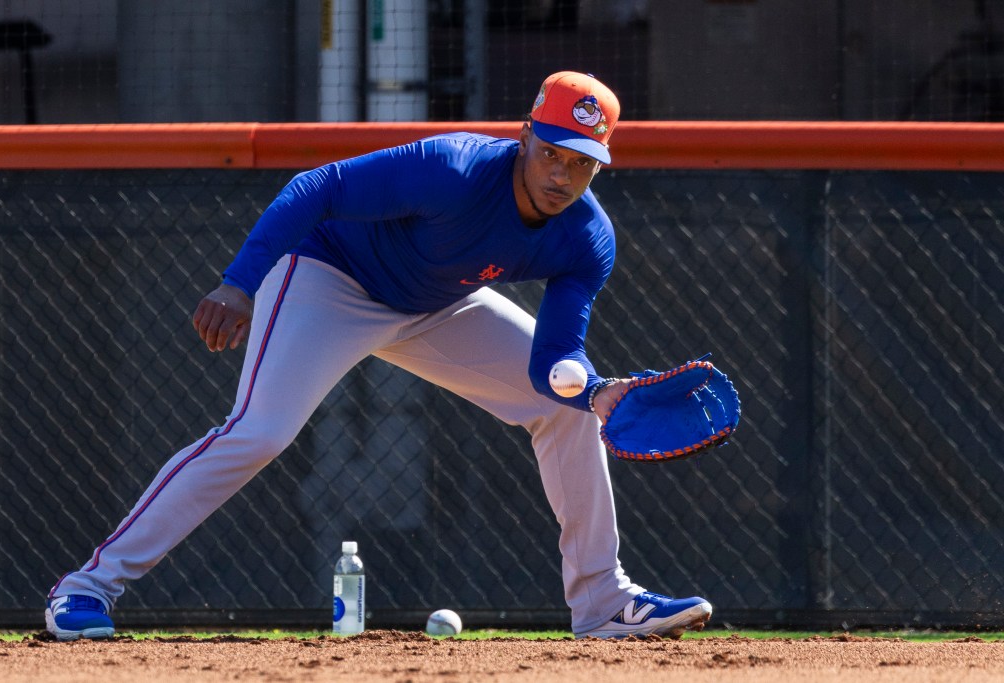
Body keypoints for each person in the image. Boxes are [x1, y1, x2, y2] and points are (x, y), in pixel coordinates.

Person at [45, 71, 712, 640]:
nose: (563, 173)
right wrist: (239, 281)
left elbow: (554, 360)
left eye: (583, 160)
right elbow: (318, 186)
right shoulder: (453, 169)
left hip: (438, 302)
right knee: (259, 431)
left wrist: (594, 392)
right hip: (330, 277)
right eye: (552, 153)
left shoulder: (588, 238)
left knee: (564, 412)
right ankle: (87, 588)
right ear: (525, 138)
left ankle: (601, 601)